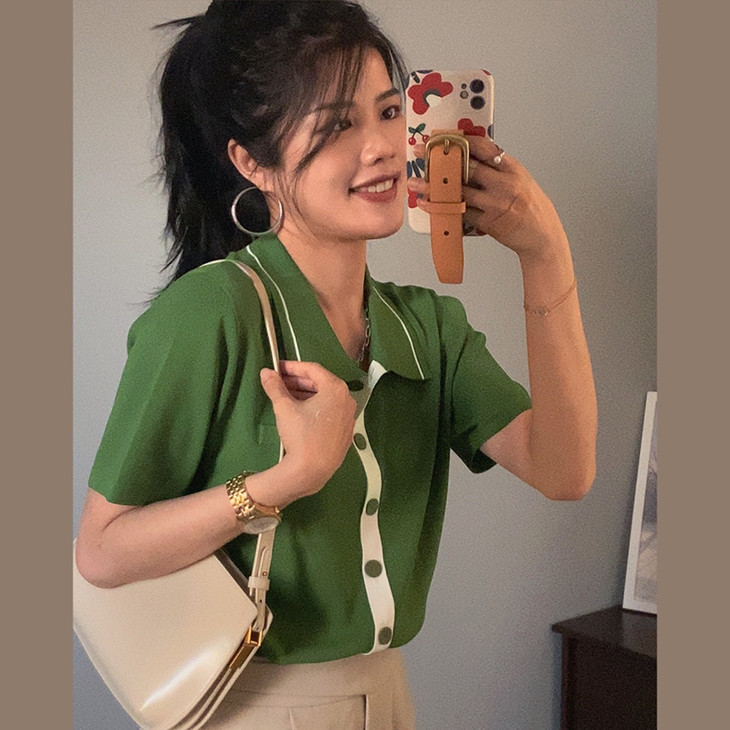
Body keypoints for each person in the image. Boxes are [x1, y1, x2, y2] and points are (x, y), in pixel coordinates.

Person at [75, 1, 597, 727]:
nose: (382, 146)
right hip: (253, 706)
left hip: (388, 698)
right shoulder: (210, 312)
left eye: (389, 111)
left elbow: (564, 471)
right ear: (253, 163)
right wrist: (288, 479)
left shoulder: (427, 326)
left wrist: (546, 254)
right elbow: (101, 551)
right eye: (336, 126)